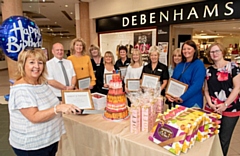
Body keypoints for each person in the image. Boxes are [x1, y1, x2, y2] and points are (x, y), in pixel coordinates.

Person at [8, 48, 80, 156]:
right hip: (33, 146)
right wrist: (58, 109)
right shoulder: (21, 89)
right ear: (23, 65)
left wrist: (67, 105)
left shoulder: (41, 83)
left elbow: (52, 104)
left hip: (49, 140)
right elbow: (34, 117)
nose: (36, 66)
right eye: (32, 62)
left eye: (40, 62)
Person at [204, 43, 240, 156]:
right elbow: (206, 89)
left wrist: (225, 104)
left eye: (217, 51)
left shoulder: (233, 67)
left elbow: (237, 87)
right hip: (212, 109)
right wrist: (210, 103)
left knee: (223, 140)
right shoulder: (208, 70)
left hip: (230, 109)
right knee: (210, 138)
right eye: (212, 52)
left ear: (222, 52)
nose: (214, 54)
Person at [166, 40, 206, 108]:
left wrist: (182, 98)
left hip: (192, 102)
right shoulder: (180, 65)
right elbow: (173, 80)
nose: (186, 51)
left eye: (189, 49)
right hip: (177, 102)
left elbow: (197, 85)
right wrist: (168, 94)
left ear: (194, 50)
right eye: (184, 49)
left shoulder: (199, 64)